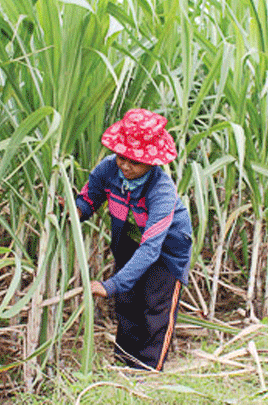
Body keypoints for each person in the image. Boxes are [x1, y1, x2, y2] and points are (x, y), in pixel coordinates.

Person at [74, 108, 193, 371]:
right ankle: (124, 363)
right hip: (128, 240)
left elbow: (151, 248)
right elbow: (89, 199)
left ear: (152, 163)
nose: (125, 165)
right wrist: (73, 210)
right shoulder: (108, 169)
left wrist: (112, 284)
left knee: (155, 308)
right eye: (121, 157)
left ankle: (148, 370)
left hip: (165, 251)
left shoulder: (162, 191)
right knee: (126, 304)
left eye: (134, 161)